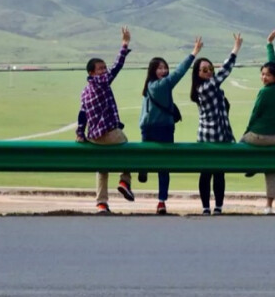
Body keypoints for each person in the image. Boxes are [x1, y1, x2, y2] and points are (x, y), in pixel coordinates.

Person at [139, 36, 204, 214]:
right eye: (160, 68)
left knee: (145, 155)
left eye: (165, 67)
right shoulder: (162, 85)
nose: (165, 70)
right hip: (163, 129)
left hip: (146, 128)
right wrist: (193, 54)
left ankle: (143, 169)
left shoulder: (148, 86)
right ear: (153, 70)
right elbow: (179, 73)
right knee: (164, 165)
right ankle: (161, 200)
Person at [76, 26, 133, 214]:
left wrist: (80, 134)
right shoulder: (102, 82)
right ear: (92, 73)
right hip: (109, 132)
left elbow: (82, 114)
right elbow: (117, 67)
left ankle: (101, 203)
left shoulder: (85, 91)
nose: (104, 71)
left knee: (102, 168)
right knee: (127, 146)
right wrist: (124, 45)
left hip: (93, 136)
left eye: (104, 68)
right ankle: (125, 180)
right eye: (100, 69)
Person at [241, 29, 275, 214]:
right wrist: (269, 44)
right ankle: (269, 206)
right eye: (262, 74)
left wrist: (246, 133)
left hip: (258, 137)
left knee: (242, 143)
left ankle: (251, 167)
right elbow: (274, 65)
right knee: (270, 170)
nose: (264, 77)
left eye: (267, 75)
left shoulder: (264, 92)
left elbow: (255, 115)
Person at [191, 33, 243, 215]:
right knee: (207, 172)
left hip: (220, 135)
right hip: (209, 137)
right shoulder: (205, 88)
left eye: (210, 68)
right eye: (204, 70)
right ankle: (206, 207)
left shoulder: (211, 88)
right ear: (197, 74)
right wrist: (235, 49)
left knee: (218, 172)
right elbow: (225, 71)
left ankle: (218, 206)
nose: (209, 71)